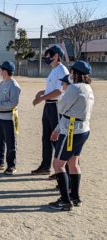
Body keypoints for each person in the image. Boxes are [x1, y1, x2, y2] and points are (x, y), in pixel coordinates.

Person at [48, 61, 94, 211]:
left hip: (71, 130)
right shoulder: (88, 88)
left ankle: (65, 200)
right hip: (83, 129)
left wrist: (64, 92)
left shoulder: (74, 88)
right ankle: (75, 197)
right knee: (73, 163)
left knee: (58, 164)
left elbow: (61, 107)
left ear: (75, 73)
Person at [32, 45, 69, 177]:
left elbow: (60, 90)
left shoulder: (62, 70)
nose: (47, 58)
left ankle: (61, 170)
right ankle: (45, 166)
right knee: (46, 138)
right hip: (49, 106)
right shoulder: (53, 70)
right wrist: (42, 92)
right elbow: (51, 88)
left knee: (56, 138)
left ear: (57, 56)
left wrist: (42, 98)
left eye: (49, 55)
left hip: (56, 107)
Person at [0, 61, 21, 175]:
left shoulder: (14, 85)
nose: (0, 71)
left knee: (11, 143)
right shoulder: (2, 83)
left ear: (6, 71)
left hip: (10, 118)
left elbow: (13, 103)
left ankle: (11, 165)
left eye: (2, 69)